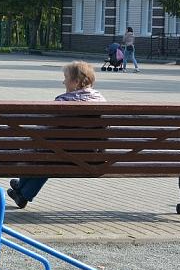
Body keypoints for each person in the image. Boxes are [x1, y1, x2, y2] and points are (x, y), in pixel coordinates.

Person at [6, 61, 106, 209]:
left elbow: (45, 129)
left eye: (66, 78)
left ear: (76, 82)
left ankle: (24, 193)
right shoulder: (101, 101)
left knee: (41, 153)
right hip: (88, 156)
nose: (63, 82)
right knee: (46, 153)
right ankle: (21, 189)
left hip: (58, 155)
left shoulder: (63, 102)